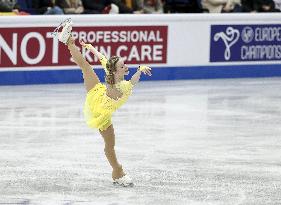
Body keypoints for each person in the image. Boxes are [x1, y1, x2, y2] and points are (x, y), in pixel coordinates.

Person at [55, 19, 152, 187]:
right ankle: (69, 41)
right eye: (123, 65)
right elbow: (133, 80)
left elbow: (101, 57)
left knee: (109, 146)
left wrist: (91, 48)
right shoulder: (122, 86)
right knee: (86, 66)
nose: (125, 66)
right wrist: (139, 70)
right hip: (99, 105)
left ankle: (117, 172)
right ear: (116, 70)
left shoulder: (113, 74)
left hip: (100, 101)